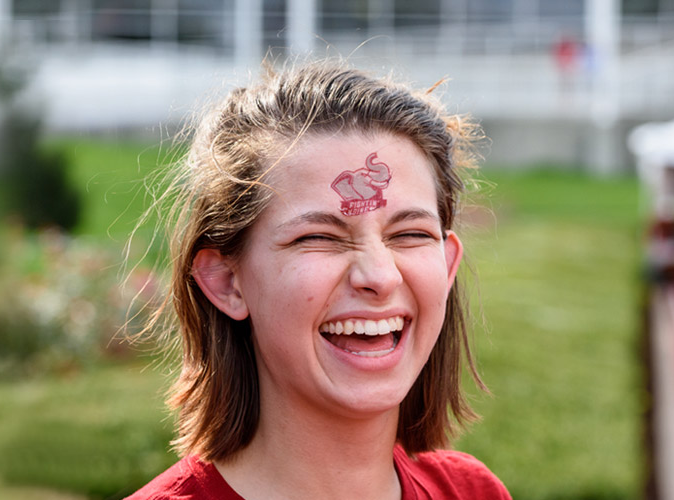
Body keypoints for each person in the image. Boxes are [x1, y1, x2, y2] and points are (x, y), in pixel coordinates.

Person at [128, 62, 510, 500]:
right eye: (319, 237)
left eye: (409, 234)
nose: (380, 276)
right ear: (227, 282)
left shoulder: (473, 492)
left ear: (446, 267)